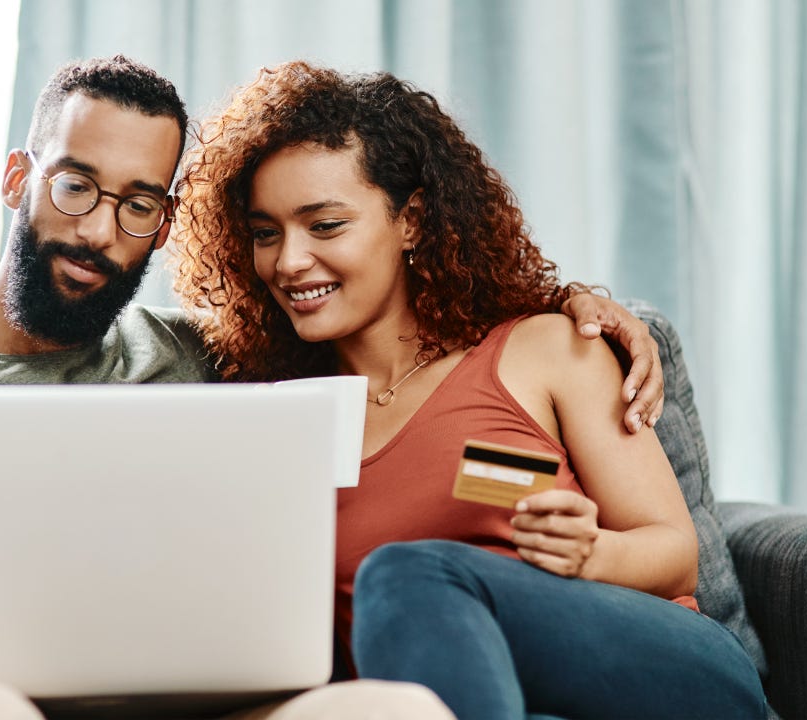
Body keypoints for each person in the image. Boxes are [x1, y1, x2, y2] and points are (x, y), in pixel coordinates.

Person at [0, 55, 661, 719]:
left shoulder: (212, 360)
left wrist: (577, 304)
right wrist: (60, 647)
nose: (98, 231)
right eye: (75, 186)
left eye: (137, 204)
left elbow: (418, 345)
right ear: (17, 180)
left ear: (163, 228)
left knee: (397, 709)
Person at [173, 60, 768, 719]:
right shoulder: (281, 420)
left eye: (326, 225)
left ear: (411, 221)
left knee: (404, 574)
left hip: (664, 674)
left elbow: (676, 555)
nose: (288, 261)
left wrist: (592, 552)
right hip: (471, 699)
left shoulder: (549, 349)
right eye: (266, 233)